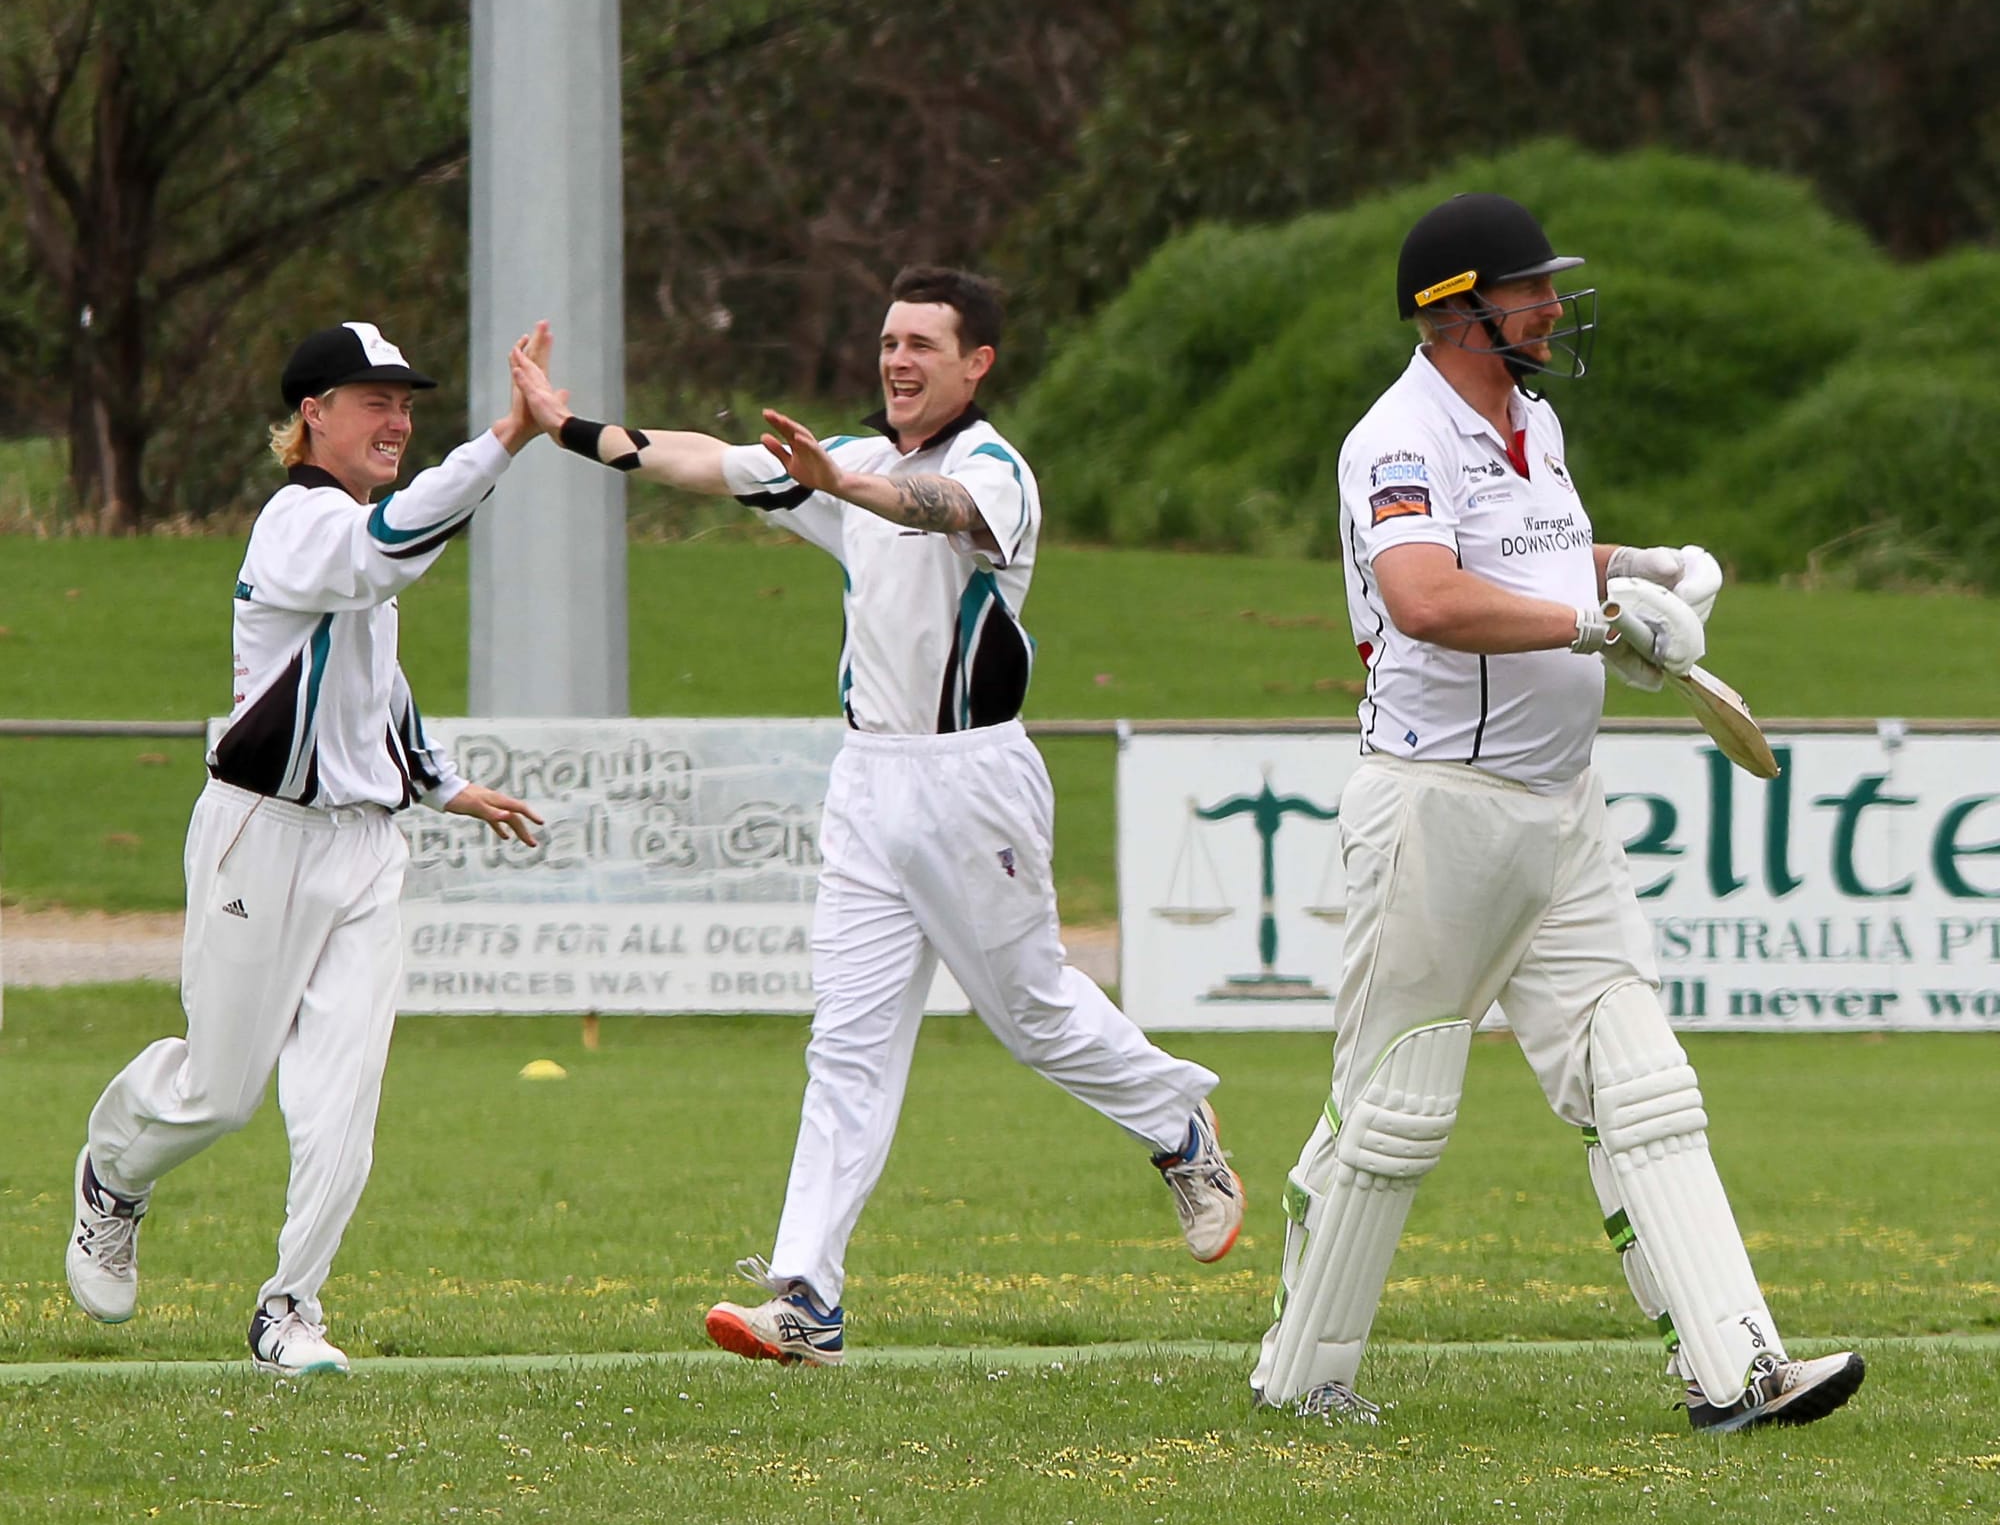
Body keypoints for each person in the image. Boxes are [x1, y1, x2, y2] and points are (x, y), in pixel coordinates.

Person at [510, 264, 1245, 1364]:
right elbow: (705, 461)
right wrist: (567, 425)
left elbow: (934, 508)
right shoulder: (844, 458)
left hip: (971, 780)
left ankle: (1176, 1123)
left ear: (975, 364)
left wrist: (840, 488)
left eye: (923, 346)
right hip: (865, 781)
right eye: (889, 341)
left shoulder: (990, 470)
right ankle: (806, 1295)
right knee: (846, 1045)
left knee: (1032, 1013)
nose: (897, 361)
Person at [1250, 194, 1865, 1434]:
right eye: (1526, 288)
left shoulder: (1535, 422)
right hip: (1438, 808)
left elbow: (1540, 555)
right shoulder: (1395, 438)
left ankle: (1737, 1369)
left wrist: (1639, 570)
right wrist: (1592, 626)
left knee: (1639, 1077)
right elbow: (1422, 595)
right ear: (1454, 311)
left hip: (1560, 808)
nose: (1546, 306)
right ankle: (1302, 1371)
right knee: (1392, 1105)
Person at [66, 320, 550, 1377]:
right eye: (373, 400)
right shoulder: (299, 523)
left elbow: (375, 680)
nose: (398, 419)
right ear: (312, 415)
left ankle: (290, 1311)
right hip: (261, 835)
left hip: (365, 851)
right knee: (222, 1090)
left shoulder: (355, 540)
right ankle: (113, 1174)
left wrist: (443, 784)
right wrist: (505, 438)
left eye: (406, 402)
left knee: (341, 1102)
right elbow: (378, 565)